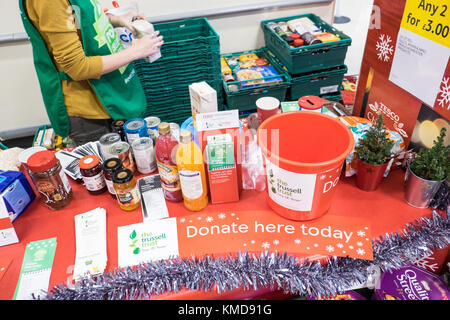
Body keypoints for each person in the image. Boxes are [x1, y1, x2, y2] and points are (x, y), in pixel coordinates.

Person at [20, 0, 164, 146]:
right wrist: (135, 52)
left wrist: (115, 19)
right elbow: (77, 67)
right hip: (89, 110)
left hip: (108, 92)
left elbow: (74, 22)